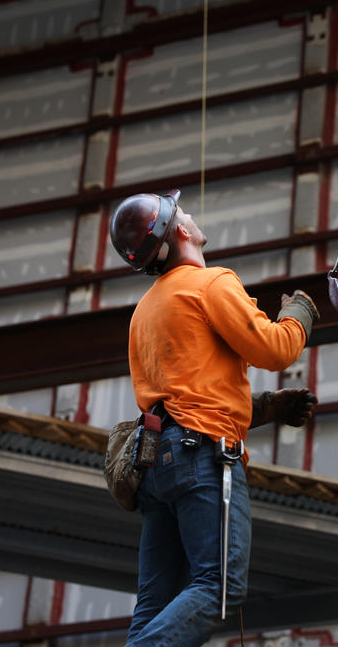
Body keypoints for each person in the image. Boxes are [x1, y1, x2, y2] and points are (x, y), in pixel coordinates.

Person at [109, 189, 320, 646]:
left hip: (157, 462)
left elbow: (184, 390)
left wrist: (263, 408)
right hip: (200, 456)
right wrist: (299, 313)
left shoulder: (145, 310)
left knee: (154, 603)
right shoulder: (211, 284)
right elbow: (275, 347)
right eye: (182, 211)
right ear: (180, 230)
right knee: (219, 586)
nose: (189, 213)